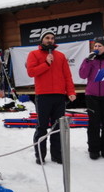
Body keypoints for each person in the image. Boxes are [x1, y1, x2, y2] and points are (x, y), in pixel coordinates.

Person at [26, 29, 76, 165]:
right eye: (47, 38)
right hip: (43, 96)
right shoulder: (33, 54)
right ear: (42, 40)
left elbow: (67, 75)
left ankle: (57, 155)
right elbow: (31, 72)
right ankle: (40, 155)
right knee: (42, 127)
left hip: (59, 96)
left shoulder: (60, 56)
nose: (50, 40)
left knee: (57, 128)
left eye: (52, 38)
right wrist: (46, 64)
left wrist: (71, 91)